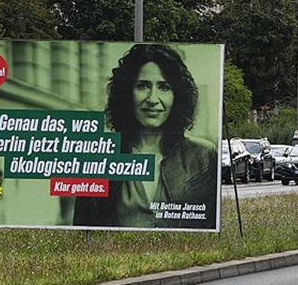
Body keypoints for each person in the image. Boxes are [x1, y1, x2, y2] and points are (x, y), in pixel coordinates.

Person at [73, 44, 218, 228]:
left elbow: (209, 224)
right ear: (127, 92)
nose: (152, 99)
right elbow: (83, 229)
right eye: (142, 86)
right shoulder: (98, 156)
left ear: (177, 96)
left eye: (164, 87)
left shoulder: (203, 155)